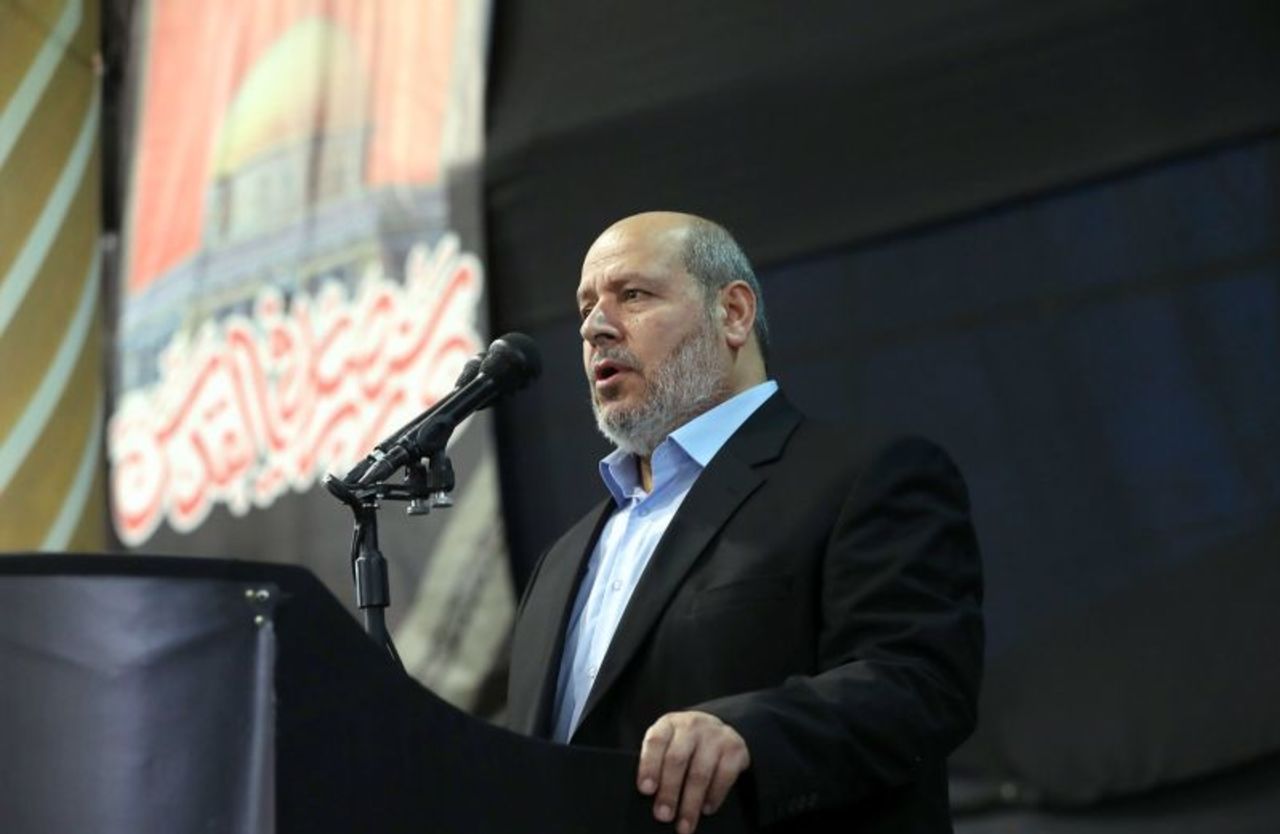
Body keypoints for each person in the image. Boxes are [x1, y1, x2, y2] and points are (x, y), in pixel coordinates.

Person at [507, 211, 983, 833]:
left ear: (732, 313)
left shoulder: (863, 477)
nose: (596, 327)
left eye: (632, 295)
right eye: (585, 309)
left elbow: (919, 682)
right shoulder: (561, 561)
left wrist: (750, 732)